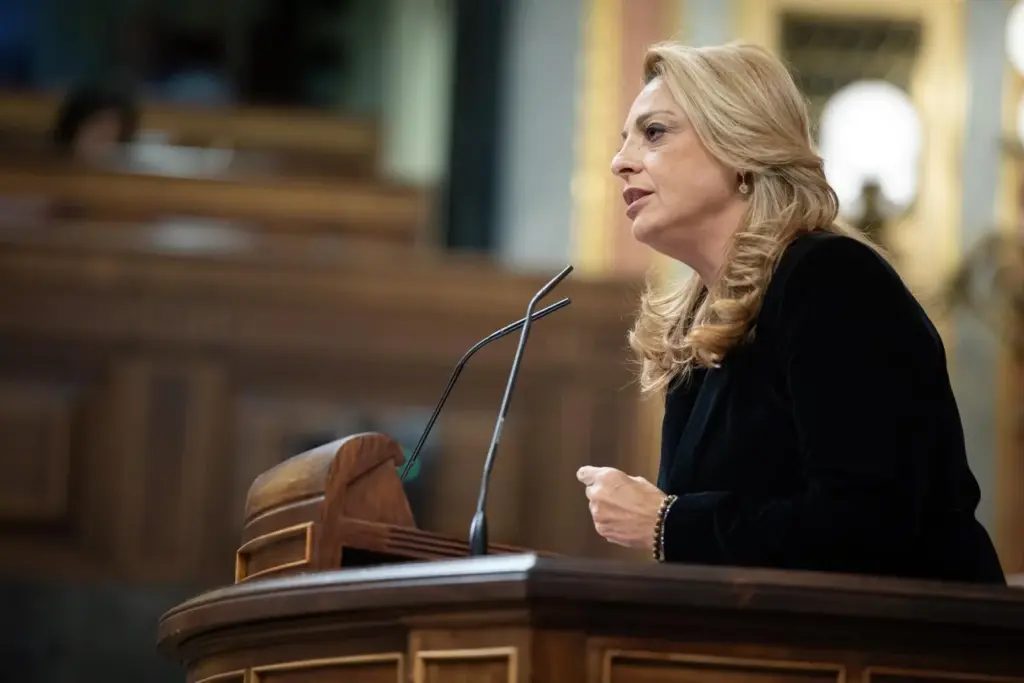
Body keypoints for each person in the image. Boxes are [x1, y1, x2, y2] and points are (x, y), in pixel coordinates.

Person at [576, 41, 1006, 585]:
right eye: (624, 141)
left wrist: (667, 521)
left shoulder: (832, 280)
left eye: (654, 132)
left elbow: (869, 523)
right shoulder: (700, 324)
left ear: (740, 149)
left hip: (907, 647)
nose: (620, 161)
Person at [51, 86, 139, 162]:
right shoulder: (50, 171)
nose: (101, 146)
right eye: (96, 132)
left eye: (109, 138)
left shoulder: (127, 174)